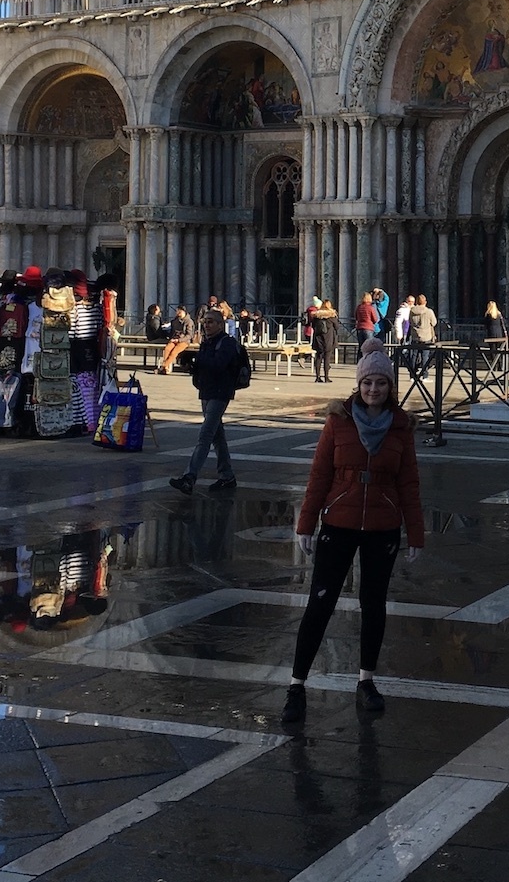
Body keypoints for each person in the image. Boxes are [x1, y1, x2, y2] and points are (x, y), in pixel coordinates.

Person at [284, 339, 424, 723]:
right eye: (367, 383)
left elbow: (409, 483)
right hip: (339, 522)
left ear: (390, 387)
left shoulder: (401, 428)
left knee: (374, 604)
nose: (373, 390)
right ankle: (297, 686)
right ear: (358, 385)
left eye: (381, 383)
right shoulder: (338, 421)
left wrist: (416, 532)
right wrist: (305, 523)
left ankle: (366, 681)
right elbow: (319, 475)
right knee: (320, 604)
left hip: (383, 524)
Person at [171, 306, 250, 494]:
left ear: (220, 324)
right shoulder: (207, 342)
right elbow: (204, 367)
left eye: (211, 322)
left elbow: (218, 365)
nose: (206, 325)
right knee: (217, 436)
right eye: (205, 321)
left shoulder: (227, 343)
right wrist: (191, 365)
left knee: (205, 435)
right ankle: (227, 476)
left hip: (220, 392)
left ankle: (189, 477)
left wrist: (197, 360)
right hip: (206, 391)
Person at [157, 306, 195, 375]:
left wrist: (179, 340)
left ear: (183, 312)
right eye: (177, 311)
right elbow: (172, 331)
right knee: (167, 349)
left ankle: (163, 367)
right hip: (174, 339)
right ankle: (166, 368)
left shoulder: (189, 321)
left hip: (184, 340)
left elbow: (189, 335)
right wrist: (172, 338)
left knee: (174, 352)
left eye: (179, 312)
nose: (177, 313)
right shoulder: (175, 321)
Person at [311, 299, 340, 383]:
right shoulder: (332, 316)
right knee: (327, 358)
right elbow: (337, 327)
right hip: (328, 339)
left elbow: (313, 326)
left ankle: (317, 377)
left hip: (318, 339)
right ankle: (326, 377)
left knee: (318, 357)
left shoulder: (316, 316)